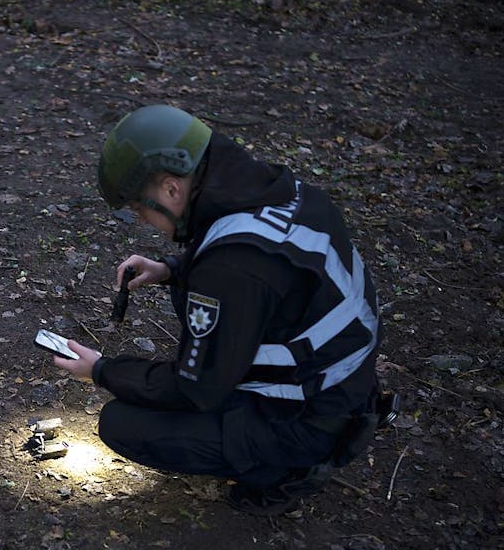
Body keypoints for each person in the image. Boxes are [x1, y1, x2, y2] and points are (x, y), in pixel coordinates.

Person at [52, 105, 383, 515]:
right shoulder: (286, 192)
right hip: (344, 382)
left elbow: (196, 390)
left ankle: (285, 472)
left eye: (140, 208)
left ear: (172, 189)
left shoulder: (230, 272)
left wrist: (102, 370)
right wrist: (172, 270)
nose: (142, 220)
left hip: (308, 419)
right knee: (187, 328)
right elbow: (263, 266)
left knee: (122, 424)